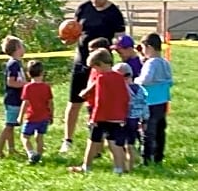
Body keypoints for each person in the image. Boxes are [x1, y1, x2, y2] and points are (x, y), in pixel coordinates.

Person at [60, 0, 125, 154]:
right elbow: (75, 30)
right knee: (74, 102)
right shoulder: (83, 8)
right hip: (82, 61)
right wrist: (68, 38)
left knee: (100, 104)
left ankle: (98, 142)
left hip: (102, 66)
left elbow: (120, 39)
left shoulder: (114, 14)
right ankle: (67, 140)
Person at [68, 48, 129, 174]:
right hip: (117, 117)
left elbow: (100, 100)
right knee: (114, 143)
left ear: (99, 65)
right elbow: (125, 97)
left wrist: (94, 118)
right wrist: (122, 114)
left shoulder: (101, 78)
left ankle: (86, 166)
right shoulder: (119, 77)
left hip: (102, 117)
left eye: (95, 68)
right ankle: (119, 168)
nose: (95, 71)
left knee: (93, 141)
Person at [135, 32, 173, 165]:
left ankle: (146, 158)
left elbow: (146, 79)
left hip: (149, 102)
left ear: (149, 47)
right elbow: (170, 79)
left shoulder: (151, 63)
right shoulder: (164, 62)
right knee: (160, 130)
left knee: (147, 131)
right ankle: (158, 156)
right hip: (162, 102)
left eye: (143, 48)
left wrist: (136, 81)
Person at [113, 62, 148, 172]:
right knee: (130, 144)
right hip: (135, 120)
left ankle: (121, 166)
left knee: (119, 144)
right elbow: (145, 105)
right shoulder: (141, 89)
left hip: (124, 120)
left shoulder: (122, 90)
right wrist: (145, 119)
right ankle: (130, 167)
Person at [17, 60, 53, 164]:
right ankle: (39, 156)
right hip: (44, 117)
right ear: (42, 73)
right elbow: (50, 103)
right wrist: (51, 115)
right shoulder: (46, 87)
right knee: (40, 137)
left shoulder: (27, 87)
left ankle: (31, 153)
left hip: (31, 117)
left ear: (28, 74)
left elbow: (25, 103)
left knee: (24, 136)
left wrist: (20, 116)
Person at [0, 36, 26, 158]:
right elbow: (11, 82)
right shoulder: (13, 64)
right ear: (17, 48)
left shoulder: (17, 63)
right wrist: (26, 85)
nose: (24, 49)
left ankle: (11, 149)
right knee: (9, 126)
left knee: (12, 126)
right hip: (12, 99)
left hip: (18, 99)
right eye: (22, 46)